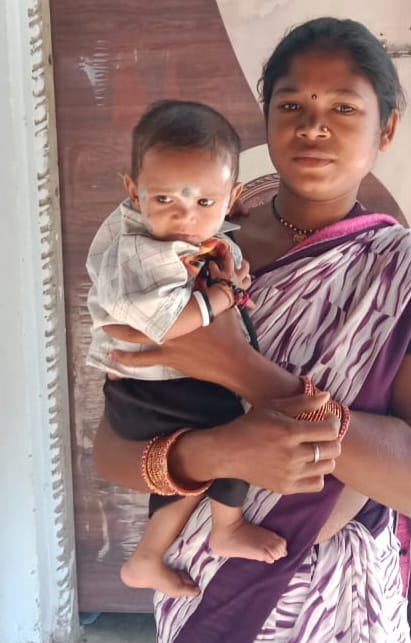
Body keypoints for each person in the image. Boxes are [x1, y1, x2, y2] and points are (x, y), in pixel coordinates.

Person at [94, 17, 411, 643]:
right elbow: (115, 445)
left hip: (340, 606)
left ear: (386, 128)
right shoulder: (189, 252)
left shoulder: (406, 273)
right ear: (265, 121)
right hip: (207, 581)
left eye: (343, 108)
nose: (313, 127)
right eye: (292, 106)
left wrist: (237, 368)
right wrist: (220, 450)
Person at [86, 100, 287, 599]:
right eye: (164, 199)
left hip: (160, 385)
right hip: (149, 388)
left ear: (232, 198)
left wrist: (233, 279)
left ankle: (146, 558)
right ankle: (226, 528)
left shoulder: (194, 235)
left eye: (204, 202)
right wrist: (222, 298)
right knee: (234, 435)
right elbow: (169, 324)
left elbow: (218, 263)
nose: (184, 216)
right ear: (133, 191)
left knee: (190, 460)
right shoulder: (142, 251)